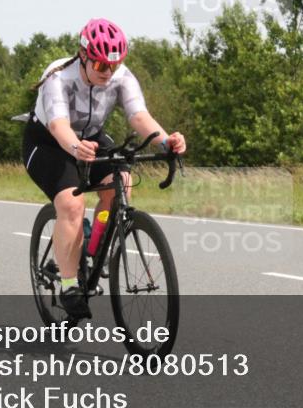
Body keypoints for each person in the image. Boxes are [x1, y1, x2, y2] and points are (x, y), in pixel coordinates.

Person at [22, 18, 186, 317]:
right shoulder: (58, 78)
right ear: (83, 56)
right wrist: (75, 148)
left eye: (114, 64)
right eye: (100, 66)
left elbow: (139, 116)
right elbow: (59, 126)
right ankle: (69, 283)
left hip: (90, 137)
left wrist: (166, 141)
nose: (108, 73)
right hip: (47, 142)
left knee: (121, 181)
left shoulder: (121, 77)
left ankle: (92, 249)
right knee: (72, 203)